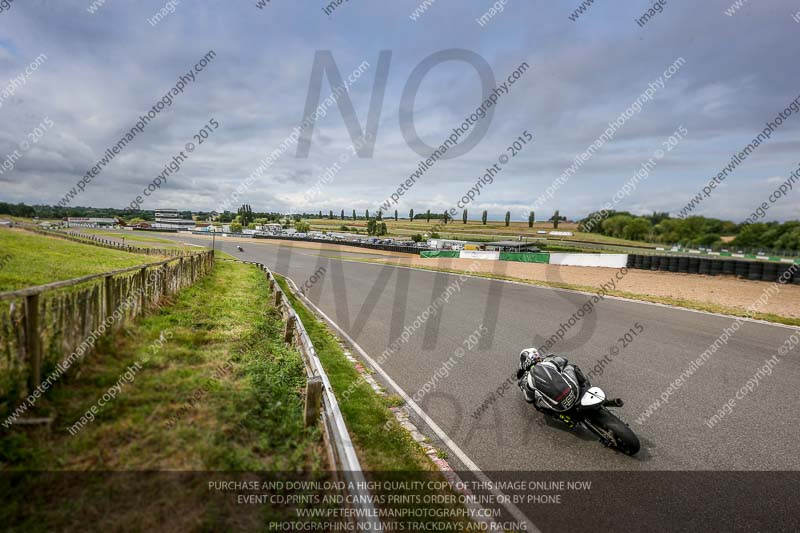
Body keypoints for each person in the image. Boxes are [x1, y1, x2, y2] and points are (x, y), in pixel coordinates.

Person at [516, 348, 590, 426]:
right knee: (571, 367)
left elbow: (529, 399)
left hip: (559, 407)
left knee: (537, 404)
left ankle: (563, 418)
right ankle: (587, 386)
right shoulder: (549, 363)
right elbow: (564, 360)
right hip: (574, 392)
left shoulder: (528, 380)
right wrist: (552, 357)